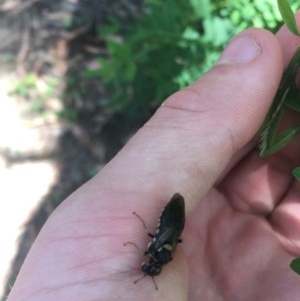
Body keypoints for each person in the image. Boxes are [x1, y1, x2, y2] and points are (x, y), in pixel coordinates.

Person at [6, 16, 300, 301]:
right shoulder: (161, 253)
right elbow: (158, 240)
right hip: (174, 222)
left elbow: (158, 240)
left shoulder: (162, 254)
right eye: (151, 267)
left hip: (175, 222)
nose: (147, 265)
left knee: (168, 228)